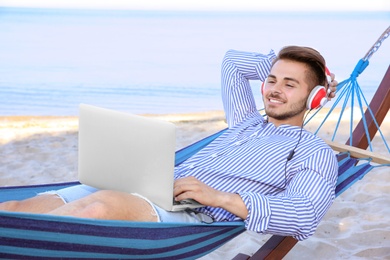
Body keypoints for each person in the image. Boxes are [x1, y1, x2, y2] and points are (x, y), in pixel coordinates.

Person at [1, 46, 338, 241]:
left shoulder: (313, 152)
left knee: (96, 210)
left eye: (290, 84)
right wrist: (283, 63)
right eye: (271, 80)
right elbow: (233, 62)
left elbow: (304, 215)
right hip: (142, 187)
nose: (274, 89)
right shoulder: (245, 120)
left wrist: (218, 196)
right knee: (15, 211)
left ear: (315, 97)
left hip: (192, 213)